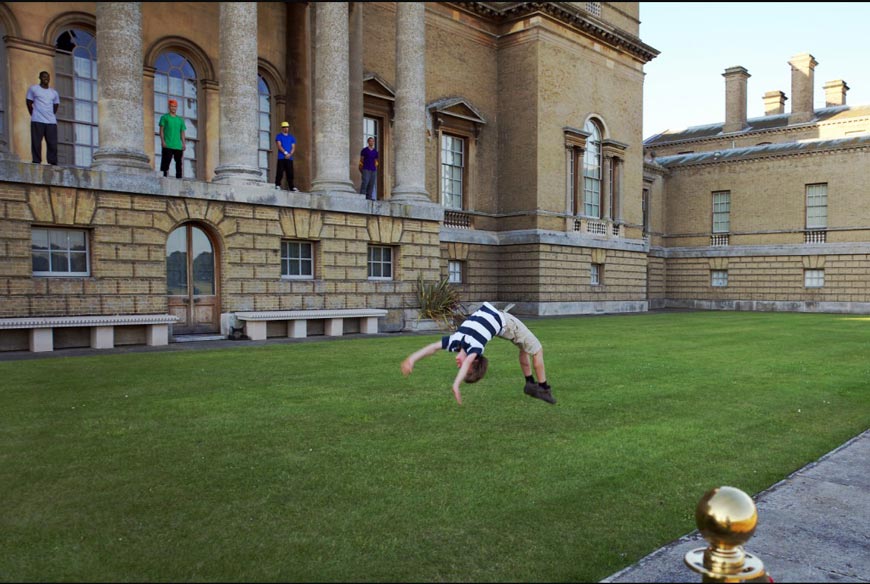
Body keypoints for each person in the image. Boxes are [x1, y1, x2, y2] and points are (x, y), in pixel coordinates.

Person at [401, 301, 555, 405]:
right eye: (463, 368)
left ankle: (529, 383)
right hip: (506, 323)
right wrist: (456, 384)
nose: (459, 365)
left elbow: (433, 348)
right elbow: (467, 361)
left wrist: (412, 359)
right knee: (537, 350)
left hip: (502, 323)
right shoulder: (475, 347)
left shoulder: (455, 342)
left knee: (524, 347)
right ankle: (543, 387)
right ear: (474, 361)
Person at [25, 71, 60, 165]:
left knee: (52, 143)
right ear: (40, 77)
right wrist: (34, 114)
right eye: (44, 77)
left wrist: (50, 114)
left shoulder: (54, 92)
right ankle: (36, 161)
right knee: (36, 142)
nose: (46, 79)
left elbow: (56, 105)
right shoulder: (33, 89)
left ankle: (52, 162)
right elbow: (29, 102)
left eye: (48, 77)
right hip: (37, 120)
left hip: (51, 122)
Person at [158, 99, 186, 178]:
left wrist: (183, 143)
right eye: (172, 106)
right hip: (168, 144)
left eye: (175, 106)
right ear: (169, 107)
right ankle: (163, 177)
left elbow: (182, 132)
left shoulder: (180, 120)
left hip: (177, 145)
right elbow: (161, 131)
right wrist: (162, 141)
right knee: (165, 162)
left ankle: (179, 178)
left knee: (179, 163)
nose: (173, 108)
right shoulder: (164, 117)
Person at [275, 121, 298, 191]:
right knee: (280, 171)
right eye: (284, 127)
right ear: (282, 128)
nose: (286, 129)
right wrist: (285, 153)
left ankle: (291, 187)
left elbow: (293, 147)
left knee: (290, 173)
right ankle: (277, 184)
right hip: (281, 157)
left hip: (289, 158)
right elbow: (279, 146)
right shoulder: (279, 136)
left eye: (287, 127)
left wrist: (290, 154)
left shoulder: (291, 137)